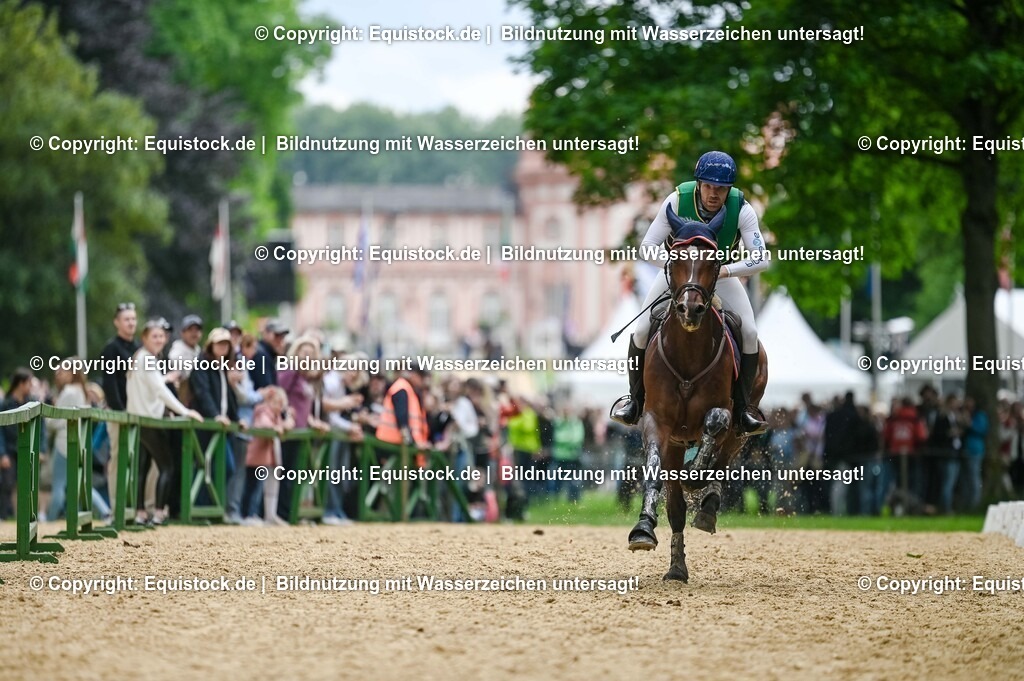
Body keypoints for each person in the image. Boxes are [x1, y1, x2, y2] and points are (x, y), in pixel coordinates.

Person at [611, 151, 769, 434]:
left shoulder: (742, 209)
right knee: (641, 329)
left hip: (719, 274)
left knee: (750, 333)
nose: (714, 194)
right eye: (708, 186)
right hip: (679, 275)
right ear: (698, 183)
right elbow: (647, 246)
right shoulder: (675, 201)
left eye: (721, 189)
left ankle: (744, 409)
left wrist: (727, 270)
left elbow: (762, 258)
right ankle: (634, 401)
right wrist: (676, 267)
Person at [126, 318, 203, 525]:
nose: (159, 340)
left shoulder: (139, 357)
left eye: (162, 336)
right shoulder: (147, 359)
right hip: (150, 421)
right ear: (145, 338)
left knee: (143, 467)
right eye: (155, 336)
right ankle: (159, 512)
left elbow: (149, 387)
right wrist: (185, 411)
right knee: (167, 466)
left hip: (140, 419)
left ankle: (140, 512)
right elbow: (160, 391)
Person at [98, 302, 139, 510]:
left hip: (136, 412)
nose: (131, 322)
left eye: (133, 318)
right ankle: (116, 507)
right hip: (118, 412)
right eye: (126, 319)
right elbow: (109, 383)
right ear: (117, 322)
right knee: (117, 456)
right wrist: (119, 411)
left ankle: (131, 505)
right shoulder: (111, 348)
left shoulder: (139, 347)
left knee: (134, 457)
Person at [243, 386, 295, 526]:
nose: (279, 407)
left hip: (269, 459)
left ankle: (269, 515)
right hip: (257, 457)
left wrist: (287, 417)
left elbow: (289, 424)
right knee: (254, 486)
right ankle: (249, 513)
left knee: (266, 487)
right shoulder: (262, 410)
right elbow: (263, 423)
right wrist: (275, 427)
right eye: (277, 403)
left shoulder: (276, 415)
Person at [1, 368, 35, 519]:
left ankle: (26, 516)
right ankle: (4, 516)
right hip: (9, 449)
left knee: (28, 484)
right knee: (7, 485)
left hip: (27, 448)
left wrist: (41, 449)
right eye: (28, 383)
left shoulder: (32, 403)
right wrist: (1, 454)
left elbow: (42, 429)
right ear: (21, 384)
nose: (30, 387)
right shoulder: (6, 404)